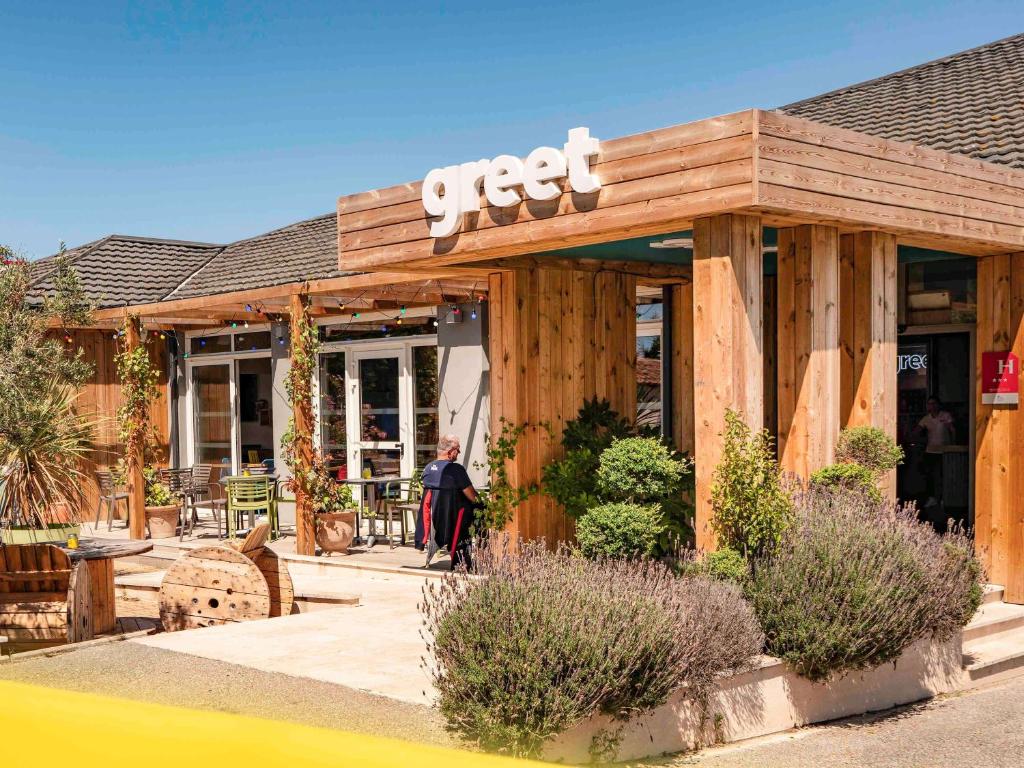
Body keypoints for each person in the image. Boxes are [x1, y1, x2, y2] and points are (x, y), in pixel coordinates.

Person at [415, 434, 481, 570]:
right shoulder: (455, 470)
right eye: (458, 449)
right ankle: (479, 554)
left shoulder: (428, 469)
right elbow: (472, 496)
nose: (459, 453)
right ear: (451, 452)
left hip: (437, 522)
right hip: (457, 521)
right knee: (483, 511)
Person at [917, 396, 956, 513]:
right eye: (929, 404)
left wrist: (953, 445)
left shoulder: (945, 416)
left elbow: (952, 430)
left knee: (945, 476)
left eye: (934, 403)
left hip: (944, 451)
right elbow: (916, 431)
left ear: (938, 405)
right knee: (931, 476)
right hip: (930, 451)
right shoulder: (926, 419)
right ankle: (932, 498)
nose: (931, 406)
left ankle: (945, 499)